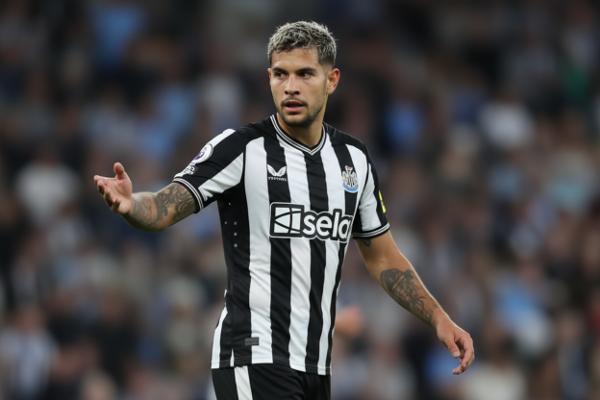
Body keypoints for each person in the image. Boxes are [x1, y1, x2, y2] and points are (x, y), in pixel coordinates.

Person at [94, 21, 474, 400]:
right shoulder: (241, 149)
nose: (291, 86)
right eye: (281, 74)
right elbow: (165, 205)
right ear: (269, 79)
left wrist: (438, 317)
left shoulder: (353, 160)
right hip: (253, 355)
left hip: (315, 368)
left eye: (305, 74)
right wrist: (132, 205)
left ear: (332, 80)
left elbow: (383, 257)